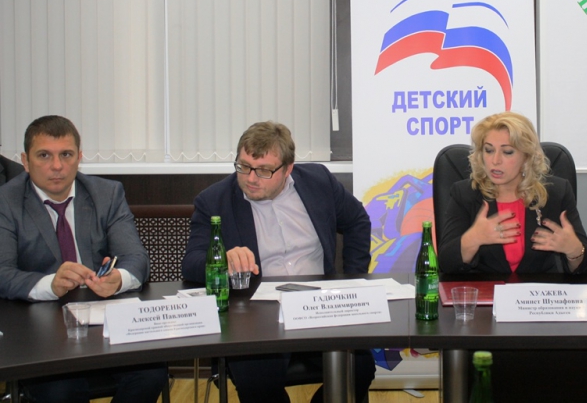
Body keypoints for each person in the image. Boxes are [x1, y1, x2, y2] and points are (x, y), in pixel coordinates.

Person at [182, 121, 375, 403]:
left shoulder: (318, 181)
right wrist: (222, 259)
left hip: (319, 306)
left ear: (287, 169)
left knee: (360, 368)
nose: (251, 178)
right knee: (258, 381)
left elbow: (357, 221)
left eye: (264, 171)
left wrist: (352, 280)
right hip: (257, 317)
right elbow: (191, 263)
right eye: (244, 166)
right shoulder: (214, 201)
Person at [0, 115, 167, 402]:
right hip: (38, 328)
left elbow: (136, 258)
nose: (57, 166)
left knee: (151, 374)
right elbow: (3, 272)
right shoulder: (6, 201)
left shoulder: (107, 193)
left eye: (66, 155)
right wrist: (50, 284)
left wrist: (118, 279)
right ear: (25, 161)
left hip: (101, 319)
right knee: (62, 390)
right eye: (44, 155)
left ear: (79, 157)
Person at [439, 112, 587, 274]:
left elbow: (586, 266)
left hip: (538, 289)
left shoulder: (556, 193)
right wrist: (473, 238)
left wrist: (573, 250)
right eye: (489, 150)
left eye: (507, 152)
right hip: (484, 289)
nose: (495, 160)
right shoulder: (465, 194)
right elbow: (446, 264)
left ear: (527, 156)